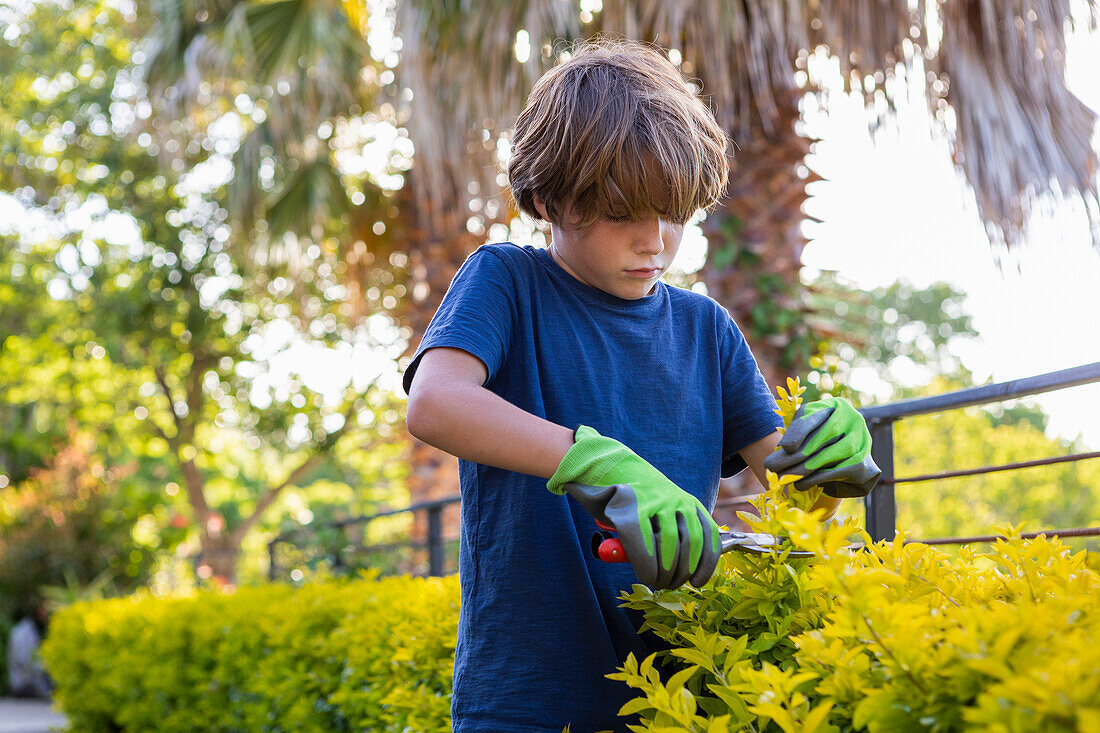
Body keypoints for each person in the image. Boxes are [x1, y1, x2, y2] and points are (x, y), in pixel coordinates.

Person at [403, 38, 879, 733]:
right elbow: (436, 402)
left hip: (683, 699)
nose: (654, 240)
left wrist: (826, 461)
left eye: (674, 213)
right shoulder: (507, 281)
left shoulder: (706, 330)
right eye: (625, 213)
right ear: (546, 197)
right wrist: (596, 458)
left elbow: (792, 505)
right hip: (526, 701)